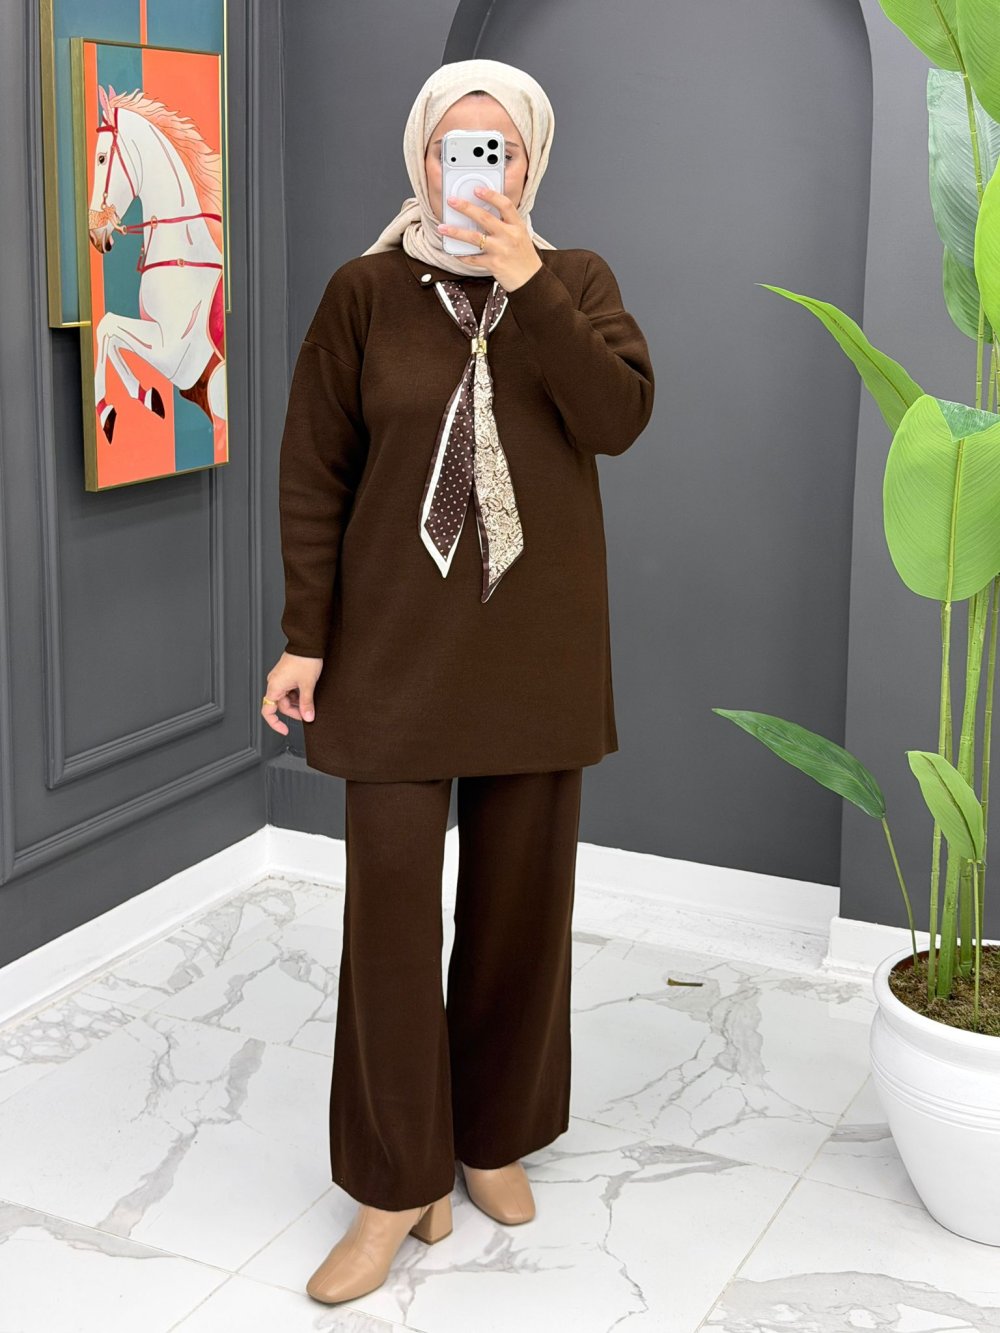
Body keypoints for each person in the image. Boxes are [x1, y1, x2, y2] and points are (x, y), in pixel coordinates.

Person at [262, 57, 655, 1305]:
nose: (474, 168)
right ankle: (394, 1182)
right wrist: (306, 635)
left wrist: (526, 282)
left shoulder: (576, 281)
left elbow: (616, 419)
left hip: (536, 653)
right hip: (390, 653)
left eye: (500, 149)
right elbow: (314, 469)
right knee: (386, 922)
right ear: (420, 157)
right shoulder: (363, 292)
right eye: (453, 147)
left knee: (517, 914)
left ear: (531, 163)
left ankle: (490, 1137)